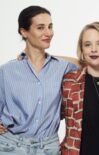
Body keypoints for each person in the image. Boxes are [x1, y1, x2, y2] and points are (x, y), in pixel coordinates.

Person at [0, 6, 77, 155]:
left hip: (48, 147)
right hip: (11, 146)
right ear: (24, 32)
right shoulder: (6, 71)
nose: (48, 33)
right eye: (41, 28)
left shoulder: (62, 67)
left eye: (50, 26)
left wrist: (55, 57)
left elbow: (89, 62)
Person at [60, 22, 99, 155]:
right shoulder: (70, 81)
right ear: (82, 49)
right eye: (87, 44)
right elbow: (46, 112)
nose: (93, 49)